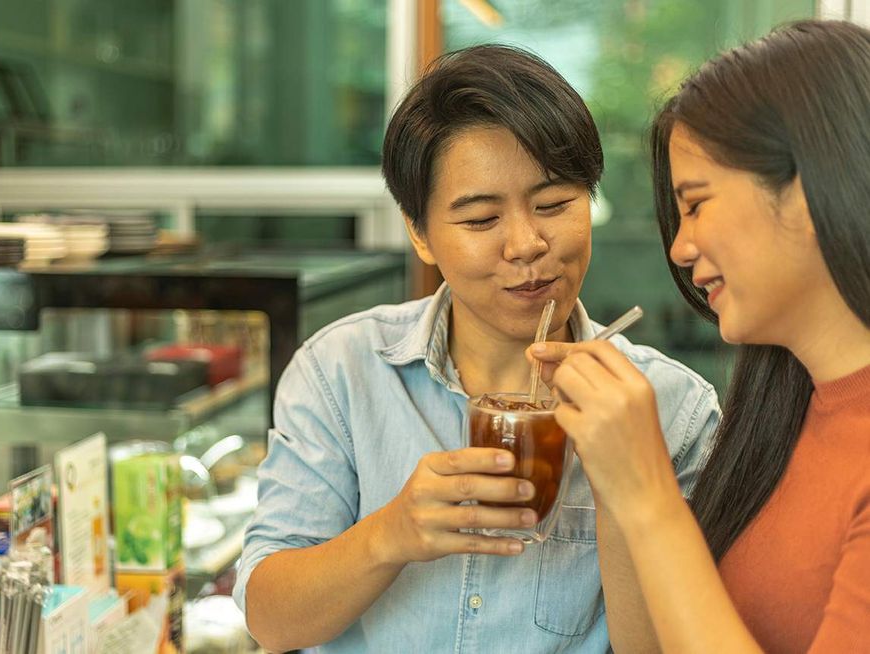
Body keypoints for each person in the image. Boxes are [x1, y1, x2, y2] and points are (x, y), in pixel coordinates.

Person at [233, 44, 719, 653]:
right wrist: (390, 534)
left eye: (553, 205)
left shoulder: (675, 409)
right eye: (481, 220)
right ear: (420, 232)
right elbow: (270, 623)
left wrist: (627, 485)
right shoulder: (342, 372)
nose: (526, 244)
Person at [528, 19, 870, 653]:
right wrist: (618, 482)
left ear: (807, 189)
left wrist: (649, 489)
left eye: (698, 203)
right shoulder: (783, 403)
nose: (680, 249)